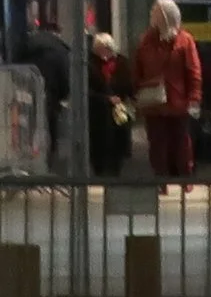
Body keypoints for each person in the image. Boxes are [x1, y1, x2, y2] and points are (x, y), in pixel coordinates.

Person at [135, 0, 204, 180]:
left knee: (181, 141)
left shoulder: (184, 40)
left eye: (156, 12)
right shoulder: (146, 40)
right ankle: (161, 179)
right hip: (153, 99)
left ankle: (184, 176)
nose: (152, 16)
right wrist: (138, 89)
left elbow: (193, 70)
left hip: (177, 100)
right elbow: (137, 68)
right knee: (156, 142)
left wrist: (194, 96)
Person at [20, 18, 76, 169]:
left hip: (29, 90)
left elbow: (16, 65)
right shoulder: (61, 50)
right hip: (51, 93)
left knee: (30, 123)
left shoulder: (28, 44)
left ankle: (30, 156)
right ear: (57, 33)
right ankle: (49, 159)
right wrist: (64, 94)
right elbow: (65, 74)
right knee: (51, 124)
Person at [88, 32, 136, 178]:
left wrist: (131, 99)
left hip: (119, 110)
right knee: (99, 145)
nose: (102, 53)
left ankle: (116, 171)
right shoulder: (90, 64)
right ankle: (100, 172)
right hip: (99, 111)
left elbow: (129, 85)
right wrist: (106, 99)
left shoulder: (122, 63)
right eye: (98, 49)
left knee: (118, 144)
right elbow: (88, 90)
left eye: (105, 48)